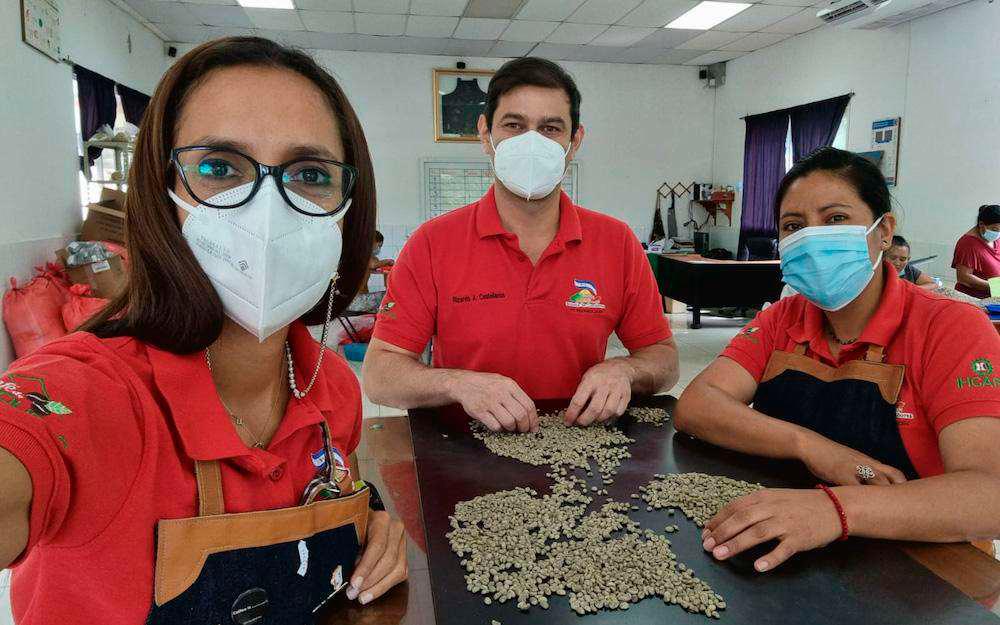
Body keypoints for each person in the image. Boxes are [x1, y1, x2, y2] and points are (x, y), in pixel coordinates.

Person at [0, 38, 407, 624]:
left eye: (310, 173)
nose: (269, 210)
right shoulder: (90, 396)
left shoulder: (331, 387)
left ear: (350, 206)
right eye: (219, 168)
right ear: (161, 193)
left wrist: (372, 526)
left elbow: (335, 497)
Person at [675, 148, 1000, 574]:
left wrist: (837, 509)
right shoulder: (782, 319)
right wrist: (812, 447)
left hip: (921, 571)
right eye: (794, 226)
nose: (813, 238)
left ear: (884, 231)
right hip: (794, 555)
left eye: (835, 219)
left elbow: (988, 494)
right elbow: (697, 405)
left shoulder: (950, 327)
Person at [363, 57, 678, 432]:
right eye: (514, 125)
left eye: (550, 128)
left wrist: (625, 370)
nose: (532, 143)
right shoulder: (432, 243)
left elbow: (664, 360)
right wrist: (457, 383)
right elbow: (380, 374)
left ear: (574, 141)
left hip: (583, 451)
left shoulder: (616, 242)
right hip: (463, 448)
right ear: (485, 135)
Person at [952, 204, 1000, 298]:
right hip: (975, 300)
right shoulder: (967, 244)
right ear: (981, 225)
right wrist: (996, 287)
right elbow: (964, 278)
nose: (998, 233)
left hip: (994, 295)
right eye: (995, 229)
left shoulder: (995, 238)